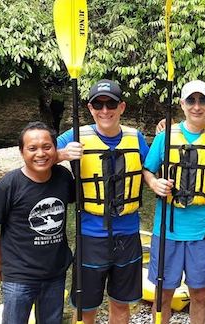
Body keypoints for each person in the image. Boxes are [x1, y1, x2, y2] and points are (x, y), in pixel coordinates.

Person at [56, 79, 149, 324]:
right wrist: (63, 154)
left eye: (111, 104)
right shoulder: (74, 135)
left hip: (128, 235)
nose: (105, 111)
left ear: (122, 107)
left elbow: (150, 168)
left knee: (120, 303)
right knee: (86, 306)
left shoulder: (136, 138)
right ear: (90, 108)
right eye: (98, 104)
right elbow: (36, 156)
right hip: (90, 235)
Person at [143, 80, 205, 324]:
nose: (196, 106)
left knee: (200, 294)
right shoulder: (165, 137)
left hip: (203, 231)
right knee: (163, 296)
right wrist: (154, 183)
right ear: (182, 104)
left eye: (202, 100)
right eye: (191, 100)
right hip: (167, 231)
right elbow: (147, 170)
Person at [0, 121, 75, 324]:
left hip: (55, 272)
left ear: (55, 149)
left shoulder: (63, 177)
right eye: (32, 148)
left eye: (47, 147)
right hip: (18, 276)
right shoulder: (9, 185)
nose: (40, 153)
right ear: (22, 152)